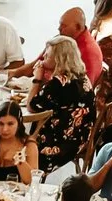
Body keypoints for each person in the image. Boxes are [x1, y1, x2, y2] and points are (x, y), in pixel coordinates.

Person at [28, 37, 94, 171]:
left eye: (49, 54)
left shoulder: (58, 83)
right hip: (80, 137)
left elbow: (31, 106)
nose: (44, 55)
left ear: (59, 59)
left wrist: (37, 78)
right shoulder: (81, 77)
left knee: (11, 142)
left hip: (58, 143)